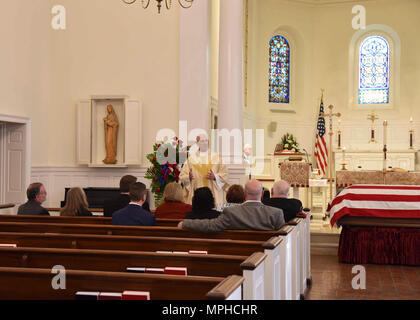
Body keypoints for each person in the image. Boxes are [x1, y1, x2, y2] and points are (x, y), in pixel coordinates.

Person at [178, 180, 285, 232]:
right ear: (262, 194)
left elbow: (210, 225)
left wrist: (185, 223)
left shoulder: (231, 212)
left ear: (245, 194)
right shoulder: (276, 213)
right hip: (267, 258)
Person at [179, 134, 228, 206]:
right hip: (196, 194)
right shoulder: (191, 159)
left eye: (206, 141)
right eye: (202, 141)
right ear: (197, 143)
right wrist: (188, 177)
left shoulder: (217, 158)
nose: (205, 143)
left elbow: (225, 173)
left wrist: (215, 177)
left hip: (213, 194)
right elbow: (183, 175)